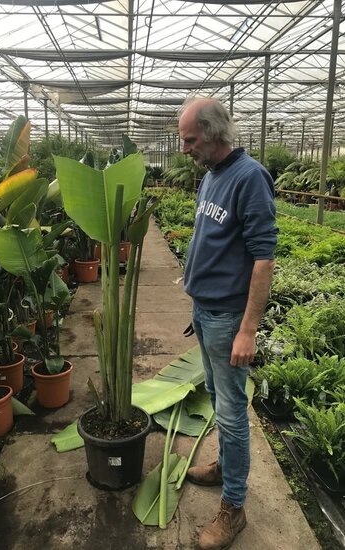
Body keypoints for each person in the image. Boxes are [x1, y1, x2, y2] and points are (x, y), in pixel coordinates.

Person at [179, 97, 278, 550]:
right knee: (218, 399)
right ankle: (223, 468)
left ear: (214, 133)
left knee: (234, 414)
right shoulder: (212, 176)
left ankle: (233, 508)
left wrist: (247, 329)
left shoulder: (250, 177)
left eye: (190, 139)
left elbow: (263, 258)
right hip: (204, 312)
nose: (185, 148)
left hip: (227, 318)